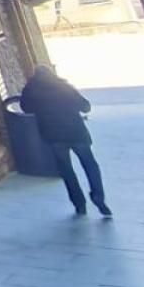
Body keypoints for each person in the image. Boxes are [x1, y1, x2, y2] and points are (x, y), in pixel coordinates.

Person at [20, 65, 109, 217]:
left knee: (67, 170)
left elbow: (26, 108)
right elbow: (85, 107)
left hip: (54, 136)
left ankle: (79, 203)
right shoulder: (64, 87)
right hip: (76, 132)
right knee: (91, 165)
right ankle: (98, 197)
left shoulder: (31, 90)